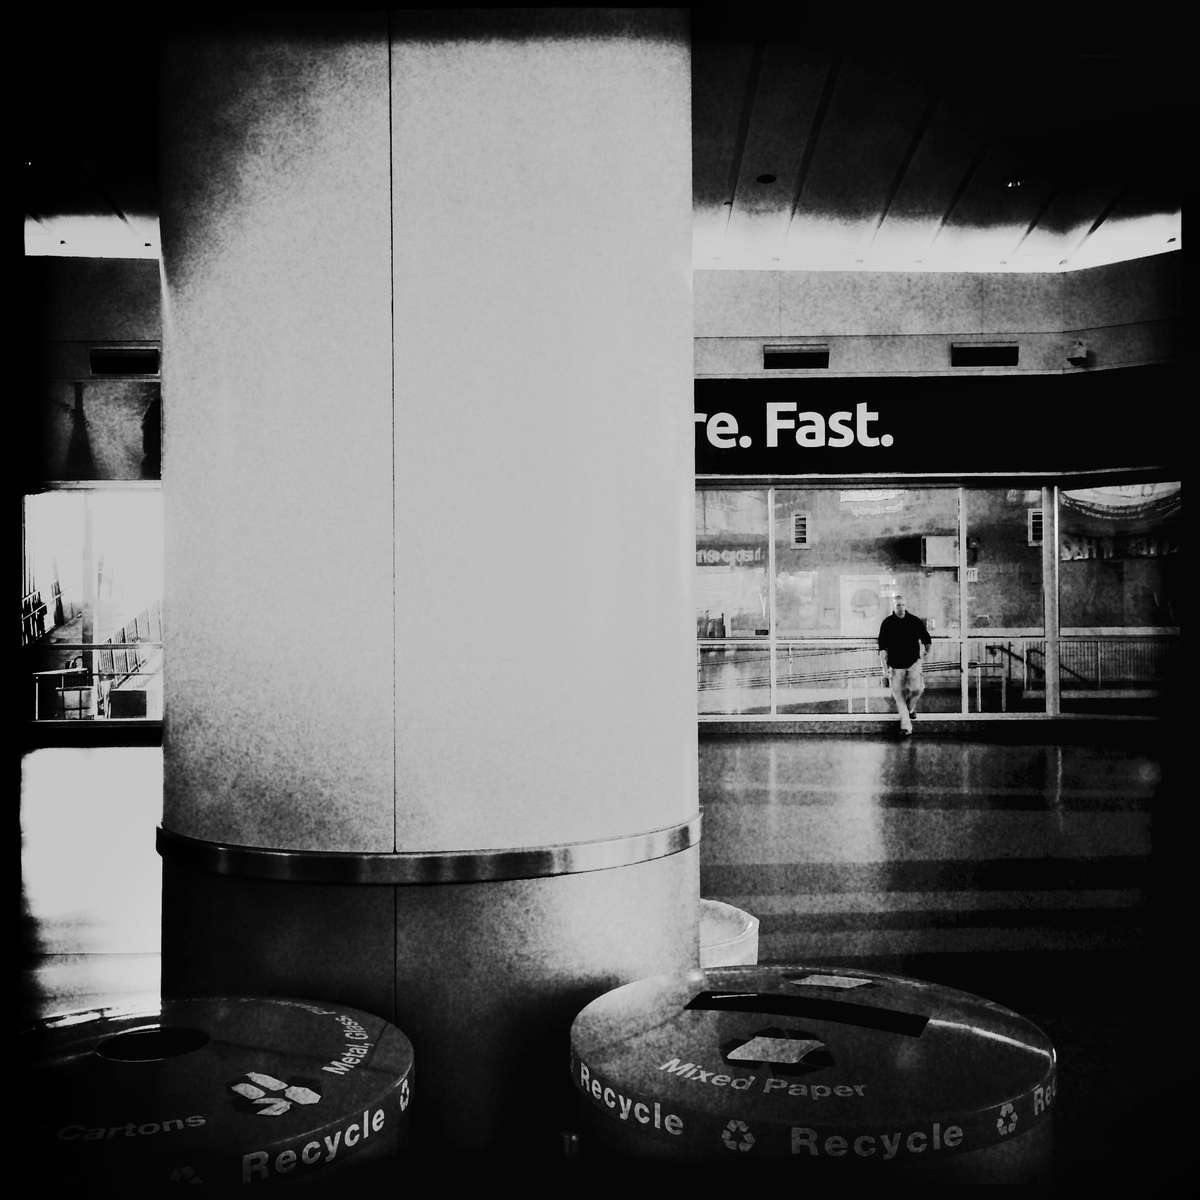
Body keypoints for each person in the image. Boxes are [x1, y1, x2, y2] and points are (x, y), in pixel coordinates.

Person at [878, 594, 932, 736]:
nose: (901, 607)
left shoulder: (914, 621)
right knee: (899, 697)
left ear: (906, 606)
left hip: (913, 663)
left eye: (903, 605)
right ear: (893, 606)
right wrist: (885, 671)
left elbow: (927, 640)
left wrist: (923, 655)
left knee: (918, 689)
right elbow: (882, 649)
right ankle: (906, 727)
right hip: (895, 666)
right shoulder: (887, 623)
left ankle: (911, 708)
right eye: (898, 605)